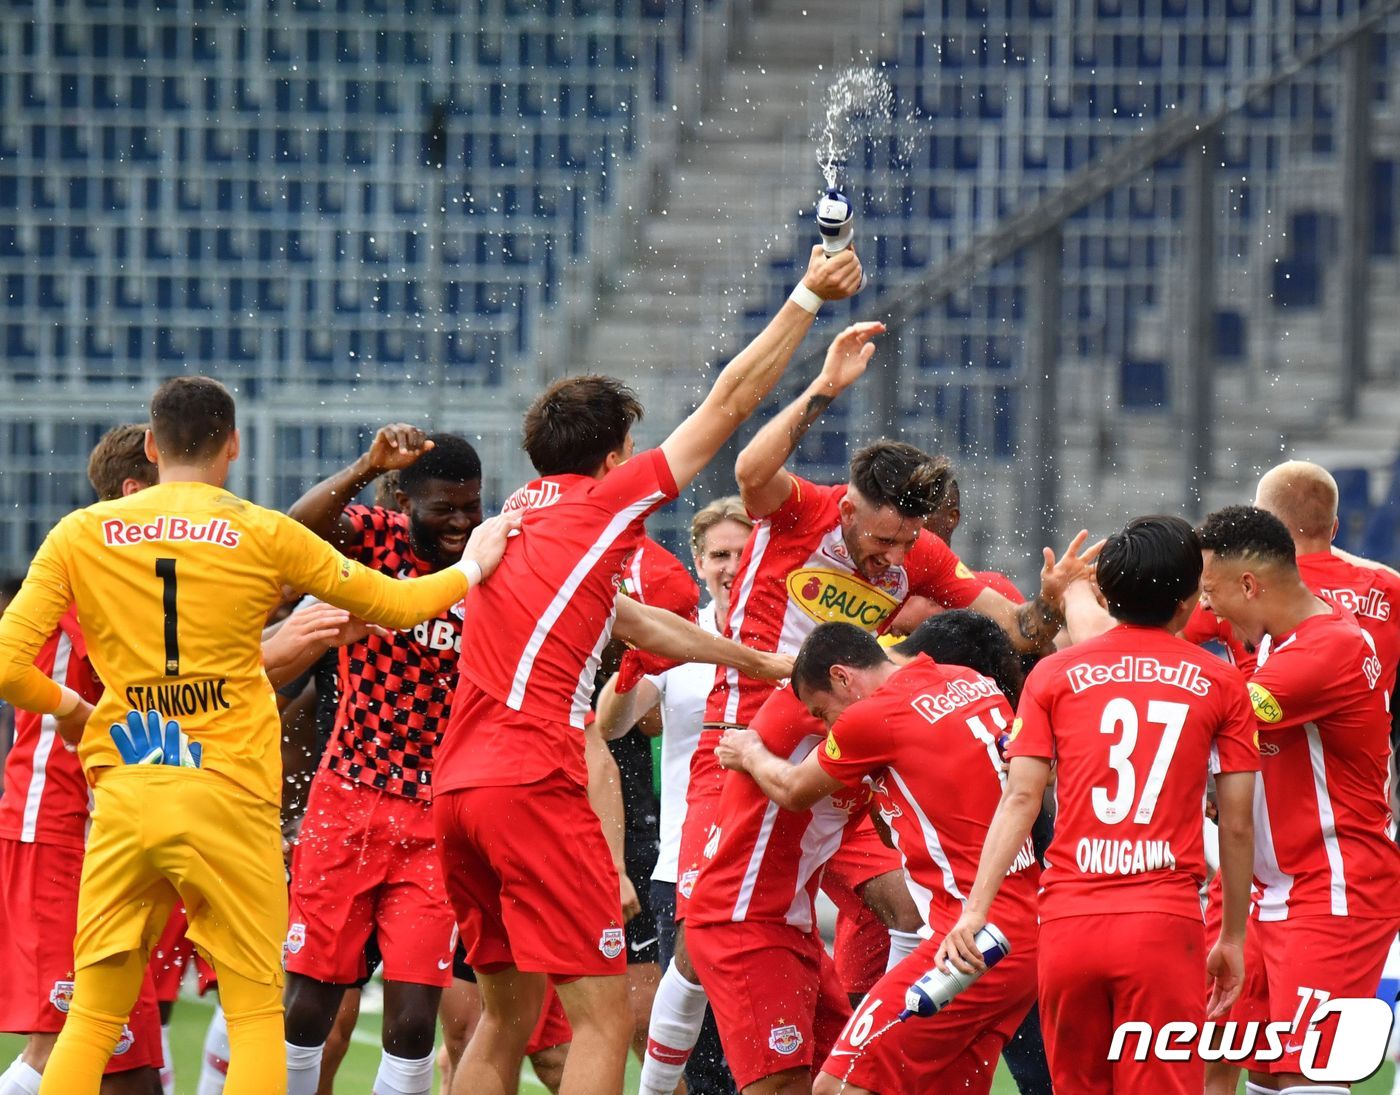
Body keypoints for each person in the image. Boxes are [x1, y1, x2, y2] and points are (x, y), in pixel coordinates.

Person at [0, 376, 522, 1095]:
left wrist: (75, 709)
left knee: (92, 1018)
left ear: (152, 445)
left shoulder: (80, 533)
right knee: (253, 1017)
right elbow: (399, 604)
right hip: (228, 800)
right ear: (234, 445)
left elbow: (8, 663)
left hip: (128, 797)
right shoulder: (259, 531)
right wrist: (472, 566)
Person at [431, 245, 867, 1095]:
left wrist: (756, 659)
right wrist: (809, 296)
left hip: (458, 788)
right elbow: (729, 402)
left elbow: (629, 619)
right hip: (533, 778)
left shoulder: (522, 517)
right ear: (615, 456)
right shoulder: (602, 503)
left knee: (505, 1019)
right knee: (602, 1019)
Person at [938, 515, 1260, 1092]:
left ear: (1109, 596)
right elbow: (1236, 826)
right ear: (1190, 600)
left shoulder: (1054, 675)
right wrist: (1232, 937)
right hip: (1163, 926)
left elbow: (1020, 798)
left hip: (1069, 927)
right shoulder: (1221, 683)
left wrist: (975, 910)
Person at [716, 616, 1041, 1094]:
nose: (828, 725)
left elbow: (794, 790)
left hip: (968, 942)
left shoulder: (872, 718)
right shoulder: (970, 680)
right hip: (1028, 934)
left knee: (836, 1087)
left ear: (841, 677)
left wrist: (749, 752)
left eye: (822, 712)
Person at [279, 425, 488, 1095]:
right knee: (308, 1008)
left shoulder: (487, 563)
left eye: (472, 505)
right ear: (402, 500)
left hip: (435, 812)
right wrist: (365, 467)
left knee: (414, 1021)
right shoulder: (373, 538)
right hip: (346, 798)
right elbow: (296, 532)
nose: (460, 523)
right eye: (443, 508)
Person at [1195, 505, 1400, 1090]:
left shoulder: (1326, 650)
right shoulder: (1278, 643)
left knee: (1309, 1077)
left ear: (1248, 585)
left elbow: (1212, 719)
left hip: (1331, 890)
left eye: (1210, 591)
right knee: (1258, 1070)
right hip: (1267, 890)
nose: (1207, 608)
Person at [0, 425, 165, 1095]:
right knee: (74, 1047)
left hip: (106, 832)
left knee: (126, 1063)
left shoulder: (124, 568)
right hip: (58, 826)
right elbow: (168, 671)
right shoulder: (88, 563)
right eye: (175, 492)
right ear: (132, 492)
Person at [597, 498, 755, 1095]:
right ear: (698, 560)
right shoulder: (678, 633)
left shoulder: (796, 637)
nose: (731, 567)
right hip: (683, 869)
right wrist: (634, 666)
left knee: (772, 1052)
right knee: (703, 1060)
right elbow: (612, 725)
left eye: (744, 553)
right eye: (719, 555)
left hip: (772, 869)